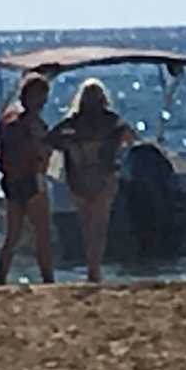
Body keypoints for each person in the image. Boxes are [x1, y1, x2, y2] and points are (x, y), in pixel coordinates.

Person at [51, 78, 135, 284]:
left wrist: (72, 144)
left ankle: (93, 268)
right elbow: (131, 137)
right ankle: (94, 268)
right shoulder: (111, 120)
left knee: (87, 223)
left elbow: (50, 139)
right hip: (103, 176)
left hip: (78, 176)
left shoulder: (73, 121)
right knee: (99, 224)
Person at [0, 73, 55, 285]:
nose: (43, 102)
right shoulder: (31, 122)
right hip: (30, 178)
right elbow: (41, 152)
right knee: (42, 234)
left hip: (11, 180)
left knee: (12, 235)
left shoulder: (7, 119)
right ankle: (48, 278)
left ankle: (1, 279)